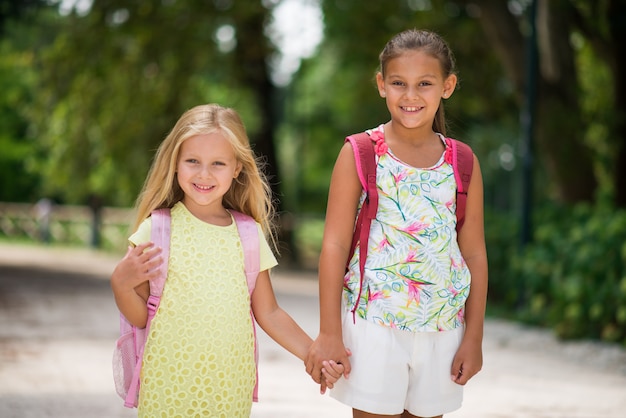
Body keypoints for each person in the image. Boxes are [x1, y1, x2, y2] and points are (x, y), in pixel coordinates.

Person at [110, 104, 344, 417]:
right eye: (192, 161)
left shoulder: (248, 234)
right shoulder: (157, 229)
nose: (203, 173)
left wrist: (313, 354)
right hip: (167, 388)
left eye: (218, 163)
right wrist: (120, 284)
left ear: (236, 168)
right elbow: (140, 316)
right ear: (175, 163)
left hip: (228, 390)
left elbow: (270, 312)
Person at [304, 29, 488, 418]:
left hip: (442, 329)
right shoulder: (361, 152)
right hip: (375, 326)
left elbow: (473, 251)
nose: (411, 95)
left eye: (425, 84)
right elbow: (334, 246)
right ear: (381, 85)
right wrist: (329, 332)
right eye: (399, 83)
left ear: (448, 86)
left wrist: (474, 337)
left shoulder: (463, 161)